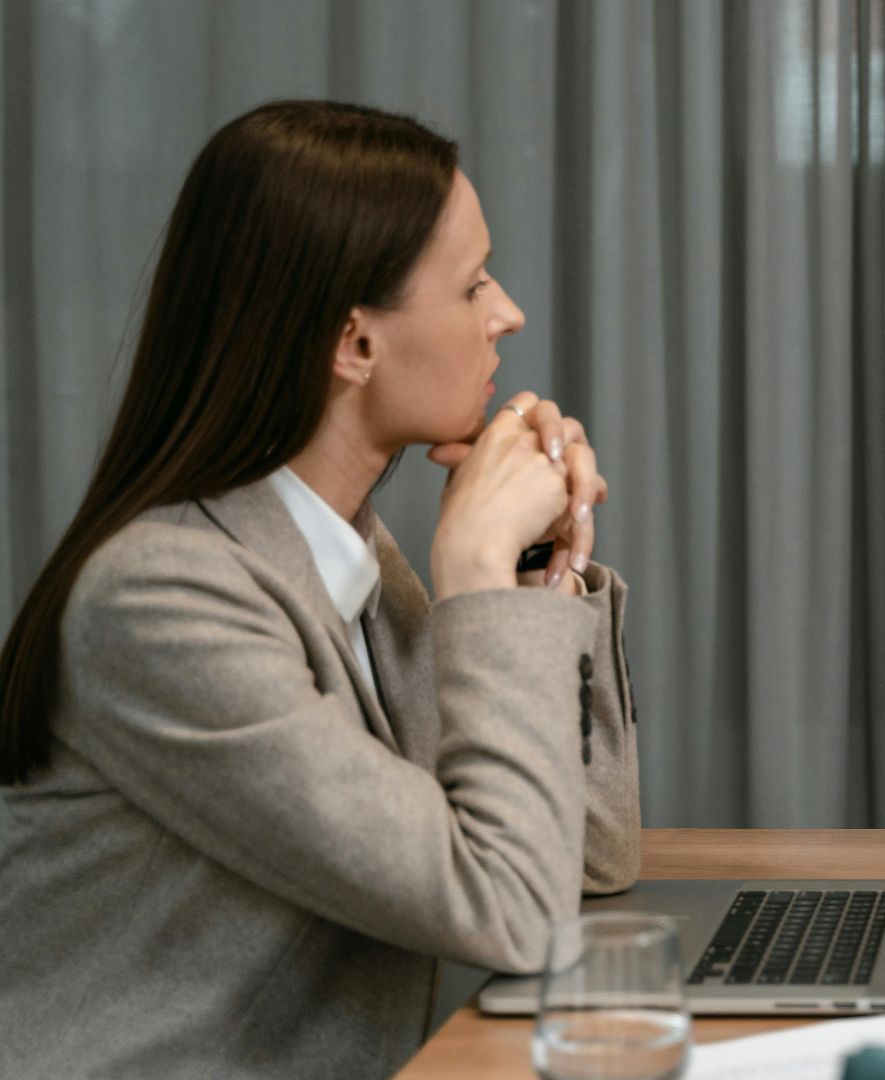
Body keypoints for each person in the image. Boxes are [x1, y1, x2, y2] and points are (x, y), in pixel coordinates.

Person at [0, 101, 644, 1079]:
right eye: (472, 285)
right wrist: (476, 585)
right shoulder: (164, 602)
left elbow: (587, 857)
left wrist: (530, 574)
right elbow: (512, 912)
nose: (506, 312)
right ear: (355, 344)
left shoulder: (347, 558)